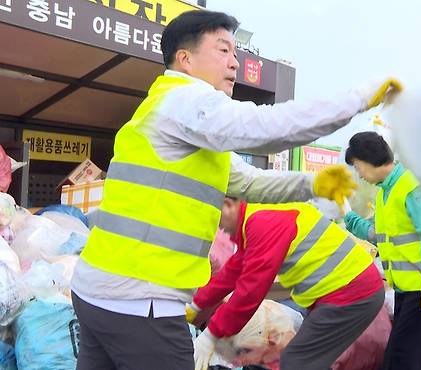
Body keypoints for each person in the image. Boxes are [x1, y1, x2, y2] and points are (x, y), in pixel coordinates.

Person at [70, 10, 401, 370]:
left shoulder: (167, 116)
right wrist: (354, 101)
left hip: (96, 291)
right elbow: (262, 126)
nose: (235, 62)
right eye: (223, 50)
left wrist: (310, 183)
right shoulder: (185, 100)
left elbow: (247, 183)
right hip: (139, 301)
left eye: (235, 52)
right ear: (185, 59)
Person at [186, 198, 384, 370]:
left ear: (229, 205)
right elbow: (232, 273)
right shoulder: (257, 220)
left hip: (351, 292)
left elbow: (251, 291)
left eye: (219, 221)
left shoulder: (262, 223)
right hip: (346, 292)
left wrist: (211, 334)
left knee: (297, 362)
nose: (220, 230)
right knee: (303, 361)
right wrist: (196, 305)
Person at [343, 132, 421, 370]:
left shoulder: (411, 187)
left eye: (358, 167)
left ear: (370, 160)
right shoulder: (386, 193)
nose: (359, 174)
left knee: (400, 358)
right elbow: (376, 235)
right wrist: (346, 215)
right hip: (409, 289)